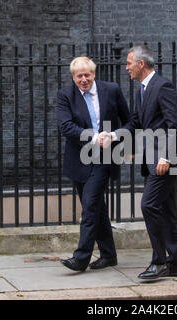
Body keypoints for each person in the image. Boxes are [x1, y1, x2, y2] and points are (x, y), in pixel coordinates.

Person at [101, 45, 177, 279]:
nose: (126, 67)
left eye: (129, 63)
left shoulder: (163, 87)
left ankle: (160, 261)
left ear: (141, 64)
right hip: (153, 160)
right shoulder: (142, 90)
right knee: (167, 212)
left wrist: (166, 157)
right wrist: (114, 135)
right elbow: (136, 123)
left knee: (149, 205)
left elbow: (174, 125)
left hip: (164, 161)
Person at [56, 57, 130, 272]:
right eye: (79, 76)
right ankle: (109, 255)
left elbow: (129, 120)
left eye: (87, 75)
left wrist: (115, 136)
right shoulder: (65, 95)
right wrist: (93, 137)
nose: (83, 79)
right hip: (80, 160)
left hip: (104, 159)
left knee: (89, 207)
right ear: (73, 77)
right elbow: (66, 127)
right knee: (97, 208)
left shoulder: (111, 90)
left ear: (94, 74)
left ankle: (81, 258)